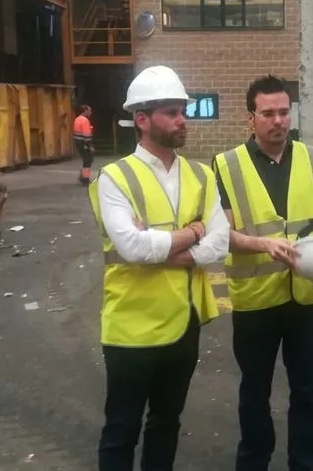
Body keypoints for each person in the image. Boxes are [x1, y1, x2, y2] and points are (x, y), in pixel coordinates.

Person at [88, 65, 229, 471]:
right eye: (171, 112)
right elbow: (131, 247)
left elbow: (219, 242)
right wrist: (193, 232)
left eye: (183, 110)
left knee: (166, 423)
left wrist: (168, 247)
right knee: (121, 429)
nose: (182, 119)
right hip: (130, 327)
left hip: (183, 323)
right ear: (143, 119)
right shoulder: (114, 177)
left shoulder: (201, 175)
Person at [212, 74, 313, 471]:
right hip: (256, 302)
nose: (278, 121)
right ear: (250, 118)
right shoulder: (226, 165)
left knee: (308, 391)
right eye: (268, 113)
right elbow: (224, 233)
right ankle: (253, 462)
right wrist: (263, 244)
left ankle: (307, 464)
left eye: (284, 112)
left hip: (307, 297)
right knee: (254, 392)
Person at [74, 104, 95, 184]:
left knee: (86, 159)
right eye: (89, 111)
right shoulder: (85, 120)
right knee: (88, 159)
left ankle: (82, 176)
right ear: (85, 111)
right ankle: (85, 179)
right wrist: (90, 146)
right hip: (84, 143)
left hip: (78, 142)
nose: (91, 112)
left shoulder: (77, 119)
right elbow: (87, 135)